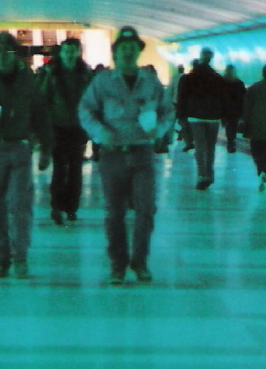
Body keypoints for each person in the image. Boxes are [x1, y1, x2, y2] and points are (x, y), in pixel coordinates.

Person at [79, 26, 174, 284]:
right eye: (124, 49)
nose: (128, 53)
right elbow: (85, 110)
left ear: (138, 52)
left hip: (142, 152)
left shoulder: (150, 82)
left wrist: (159, 130)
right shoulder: (103, 82)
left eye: (133, 48)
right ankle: (118, 264)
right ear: (116, 53)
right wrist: (99, 133)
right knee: (114, 212)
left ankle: (140, 261)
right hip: (112, 154)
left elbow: (168, 110)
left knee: (146, 209)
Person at [0, 32, 52, 280]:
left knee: (20, 203)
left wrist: (46, 147)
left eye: (7, 52)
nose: (2, 57)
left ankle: (20, 255)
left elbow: (41, 114)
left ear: (15, 56)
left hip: (20, 147)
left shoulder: (28, 82)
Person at [39, 37, 94, 224]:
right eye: (66, 51)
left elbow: (92, 102)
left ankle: (71, 207)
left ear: (78, 53)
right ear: (61, 54)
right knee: (59, 169)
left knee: (76, 169)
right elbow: (44, 101)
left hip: (78, 129)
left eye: (73, 51)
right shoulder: (52, 75)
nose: (70, 55)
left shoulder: (86, 75)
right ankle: (57, 206)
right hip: (58, 128)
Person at [177, 48, 227, 189]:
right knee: (210, 147)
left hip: (195, 115)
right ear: (211, 58)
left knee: (199, 146)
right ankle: (209, 174)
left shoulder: (189, 78)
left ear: (200, 57)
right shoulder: (217, 78)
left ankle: (201, 175)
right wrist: (224, 115)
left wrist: (181, 115)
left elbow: (182, 98)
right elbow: (224, 98)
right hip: (213, 116)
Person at [221, 65, 246, 153]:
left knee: (228, 126)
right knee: (233, 126)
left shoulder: (222, 82)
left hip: (225, 109)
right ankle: (231, 143)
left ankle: (230, 142)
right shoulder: (239, 83)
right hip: (235, 109)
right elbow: (243, 97)